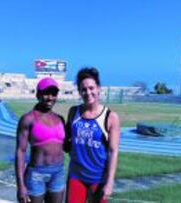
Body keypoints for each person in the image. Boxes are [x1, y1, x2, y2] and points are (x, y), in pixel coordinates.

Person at [64, 67, 120, 203]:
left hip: (99, 178)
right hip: (76, 176)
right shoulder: (73, 112)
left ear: (99, 89)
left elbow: (113, 152)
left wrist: (110, 181)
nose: (88, 92)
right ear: (79, 92)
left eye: (91, 88)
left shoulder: (110, 117)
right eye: (83, 89)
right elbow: (66, 141)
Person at [15, 77, 66, 203]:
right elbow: (20, 152)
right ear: (38, 94)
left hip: (58, 172)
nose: (50, 97)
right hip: (36, 174)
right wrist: (21, 186)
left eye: (53, 94)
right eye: (46, 93)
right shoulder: (28, 119)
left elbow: (65, 146)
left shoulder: (60, 119)